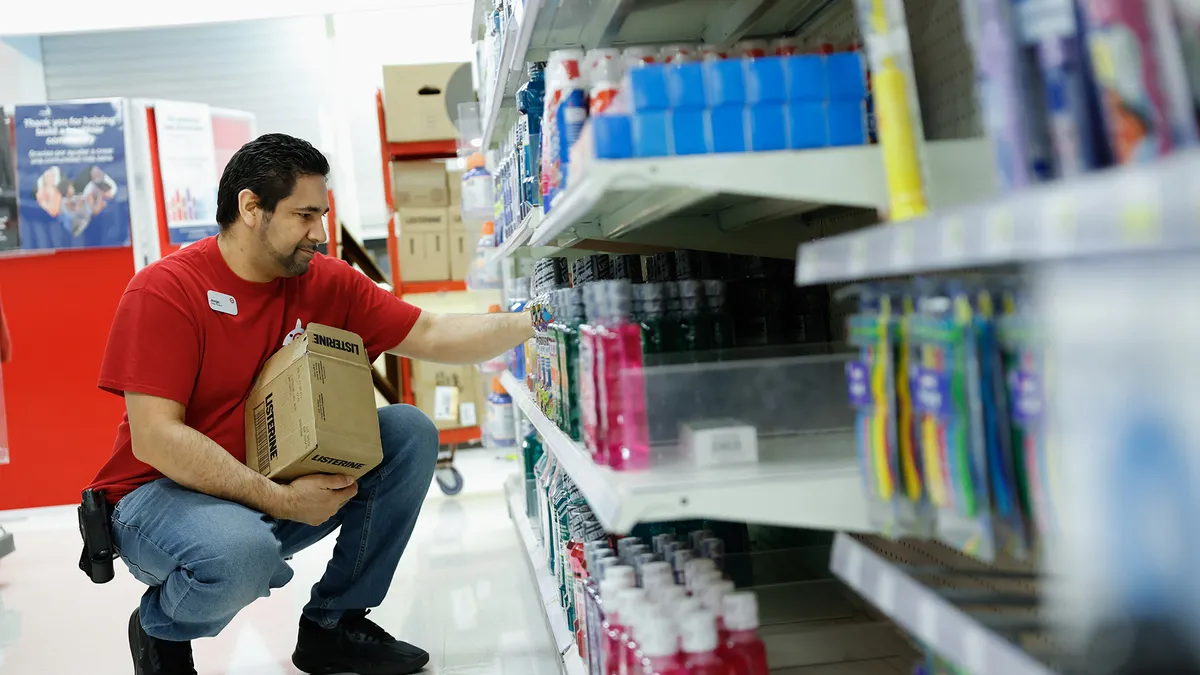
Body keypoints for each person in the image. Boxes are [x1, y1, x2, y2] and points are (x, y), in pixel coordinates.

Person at [83, 133, 534, 675]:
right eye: (304, 216)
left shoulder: (324, 281)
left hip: (260, 482)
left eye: (321, 215)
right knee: (240, 554)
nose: (319, 234)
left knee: (407, 433)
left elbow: (433, 332)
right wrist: (281, 501)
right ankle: (161, 628)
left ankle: (333, 625)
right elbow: (157, 438)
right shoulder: (166, 291)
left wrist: (539, 320)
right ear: (251, 208)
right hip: (153, 495)